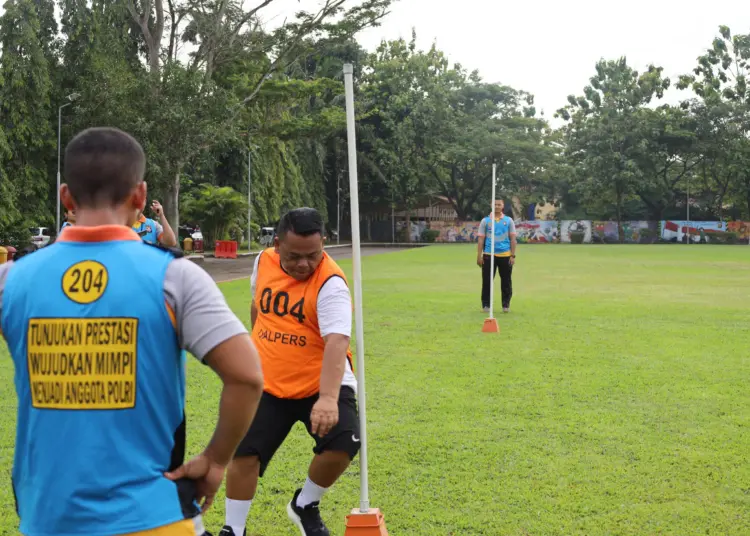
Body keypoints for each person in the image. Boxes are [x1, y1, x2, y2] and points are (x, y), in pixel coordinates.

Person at [0, 127, 264, 536]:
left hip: (47, 517)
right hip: (154, 514)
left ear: (66, 197)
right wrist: (215, 459)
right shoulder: (175, 277)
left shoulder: (11, 280)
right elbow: (247, 377)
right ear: (140, 197)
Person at [219, 207, 359, 536]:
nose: (303, 264)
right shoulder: (263, 261)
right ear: (277, 244)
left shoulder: (331, 284)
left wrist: (327, 399)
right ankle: (233, 529)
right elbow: (258, 306)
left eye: (312, 255)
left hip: (318, 381)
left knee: (345, 441)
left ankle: (304, 504)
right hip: (268, 381)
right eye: (294, 256)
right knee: (244, 452)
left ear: (323, 243)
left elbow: (337, 343)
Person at [477, 199, 517, 313]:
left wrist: (512, 255)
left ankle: (506, 305)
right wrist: (479, 256)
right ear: (491, 205)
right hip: (489, 255)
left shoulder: (509, 221)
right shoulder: (485, 221)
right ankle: (486, 305)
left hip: (505, 255)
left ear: (503, 206)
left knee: (506, 281)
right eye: (495, 204)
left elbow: (513, 239)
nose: (497, 206)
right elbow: (480, 240)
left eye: (499, 204)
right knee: (487, 281)